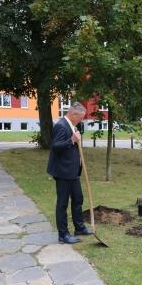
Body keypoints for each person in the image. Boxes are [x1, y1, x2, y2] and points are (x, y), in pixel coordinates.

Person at [47, 102, 93, 244]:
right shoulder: (61, 126)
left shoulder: (71, 125)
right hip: (63, 172)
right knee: (62, 203)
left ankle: (79, 227)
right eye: (80, 117)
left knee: (78, 199)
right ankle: (63, 235)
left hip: (72, 172)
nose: (81, 120)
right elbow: (55, 147)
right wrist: (71, 140)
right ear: (73, 114)